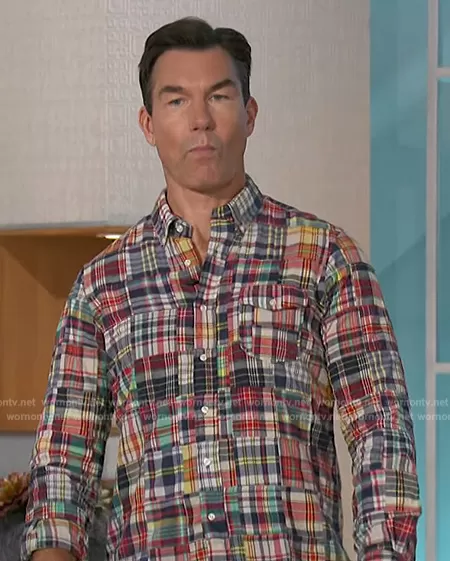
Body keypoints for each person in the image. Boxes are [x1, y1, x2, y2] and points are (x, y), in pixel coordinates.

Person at [21, 16, 421, 561]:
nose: (201, 120)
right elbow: (61, 468)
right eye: (177, 100)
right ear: (147, 123)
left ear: (250, 113)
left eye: (219, 96)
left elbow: (382, 431)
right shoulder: (102, 285)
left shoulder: (325, 258)